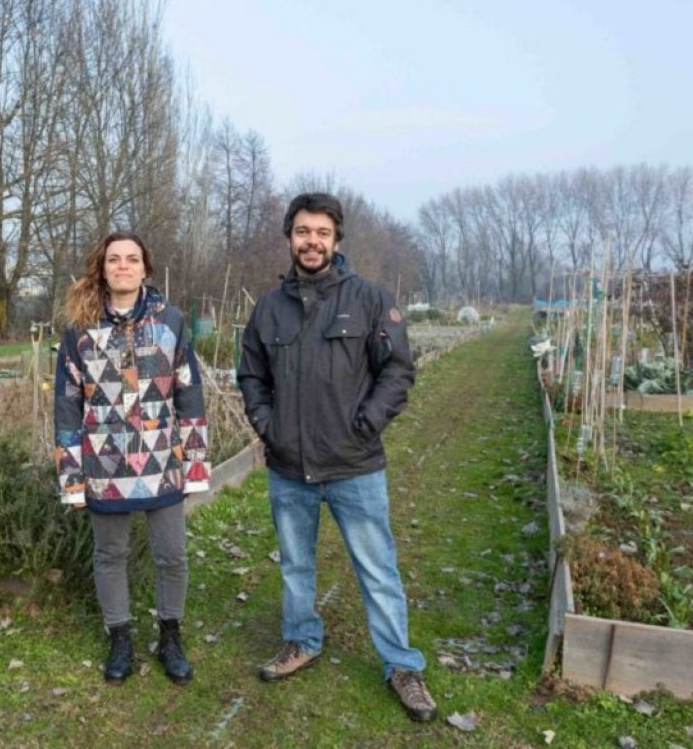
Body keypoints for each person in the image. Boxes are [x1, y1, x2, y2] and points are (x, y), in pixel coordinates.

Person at [237, 193, 436, 722]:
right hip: (289, 469)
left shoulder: (368, 299)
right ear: (289, 239)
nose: (312, 241)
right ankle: (301, 640)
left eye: (322, 232)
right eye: (303, 231)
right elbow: (251, 375)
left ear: (336, 240)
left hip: (354, 466)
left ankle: (401, 665)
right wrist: (267, 425)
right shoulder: (269, 308)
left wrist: (367, 422)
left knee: (377, 568)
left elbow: (397, 371)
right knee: (296, 565)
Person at [54, 233, 210, 686]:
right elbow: (66, 404)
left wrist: (196, 466)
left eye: (132, 259)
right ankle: (119, 637)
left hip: (163, 462)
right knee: (110, 554)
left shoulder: (172, 323)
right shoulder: (78, 330)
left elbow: (190, 393)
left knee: (172, 556)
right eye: (114, 259)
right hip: (103, 466)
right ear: (102, 268)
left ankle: (170, 636)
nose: (123, 266)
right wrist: (71, 477)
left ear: (146, 269)